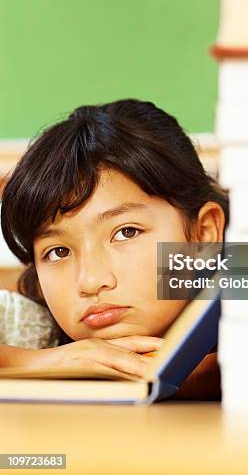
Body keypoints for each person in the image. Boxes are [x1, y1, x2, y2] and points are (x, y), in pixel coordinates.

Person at [0, 99, 229, 399]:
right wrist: (40, 362)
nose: (91, 282)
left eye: (126, 232)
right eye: (58, 252)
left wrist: (205, 371)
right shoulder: (31, 321)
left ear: (204, 233)